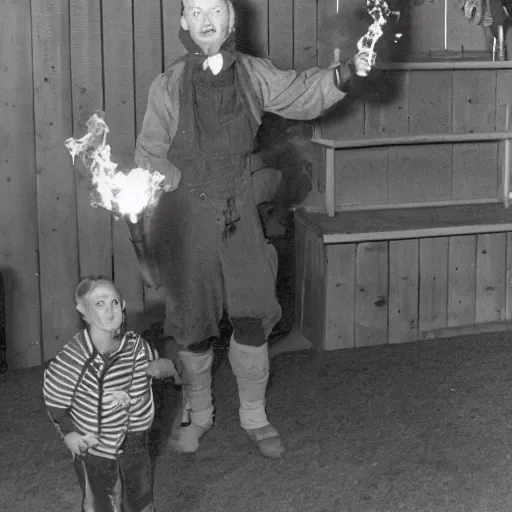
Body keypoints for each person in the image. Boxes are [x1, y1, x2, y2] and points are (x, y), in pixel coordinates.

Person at [135, 0, 371, 459]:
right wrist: (178, 184)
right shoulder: (167, 85)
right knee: (193, 323)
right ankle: (199, 413)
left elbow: (302, 92)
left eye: (216, 10)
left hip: (239, 209)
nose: (206, 20)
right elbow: (149, 154)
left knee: (252, 312)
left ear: (231, 19)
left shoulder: (254, 73)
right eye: (196, 11)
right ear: (184, 22)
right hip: (186, 214)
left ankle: (254, 415)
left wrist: (345, 76)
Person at [43, 275, 179, 512]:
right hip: (96, 447)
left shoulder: (136, 345)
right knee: (101, 500)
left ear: (123, 306)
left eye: (114, 303)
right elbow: (55, 402)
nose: (109, 311)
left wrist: (165, 369)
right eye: (99, 304)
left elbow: (156, 367)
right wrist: (69, 433)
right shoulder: (73, 360)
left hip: (136, 439)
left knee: (140, 493)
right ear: (83, 311)